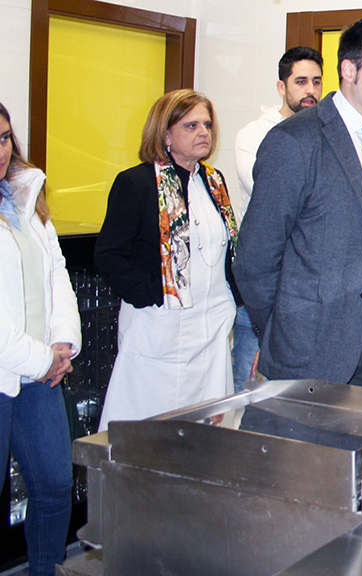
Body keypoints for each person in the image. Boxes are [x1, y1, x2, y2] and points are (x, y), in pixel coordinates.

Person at [233, 18, 362, 388]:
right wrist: (281, 328)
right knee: (307, 446)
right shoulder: (295, 141)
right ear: (350, 69)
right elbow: (255, 258)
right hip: (308, 340)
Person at [95, 90, 240, 430]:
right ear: (166, 134)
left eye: (206, 124)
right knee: (148, 432)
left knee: (208, 435)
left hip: (211, 332)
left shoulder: (214, 181)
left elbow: (227, 249)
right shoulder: (137, 183)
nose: (203, 132)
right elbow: (109, 254)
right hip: (158, 330)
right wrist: (151, 296)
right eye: (191, 125)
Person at [0, 102, 81, 575]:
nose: (2, 149)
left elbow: (56, 274)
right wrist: (41, 359)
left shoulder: (26, 197)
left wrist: (64, 343)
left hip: (40, 375)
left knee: (53, 483)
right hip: (17, 368)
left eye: (7, 137)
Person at [231, 46, 323, 392]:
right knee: (250, 392)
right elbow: (283, 201)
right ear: (282, 87)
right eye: (300, 81)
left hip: (306, 290)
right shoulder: (254, 135)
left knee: (296, 398)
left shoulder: (325, 133)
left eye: (316, 81)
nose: (310, 90)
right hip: (264, 288)